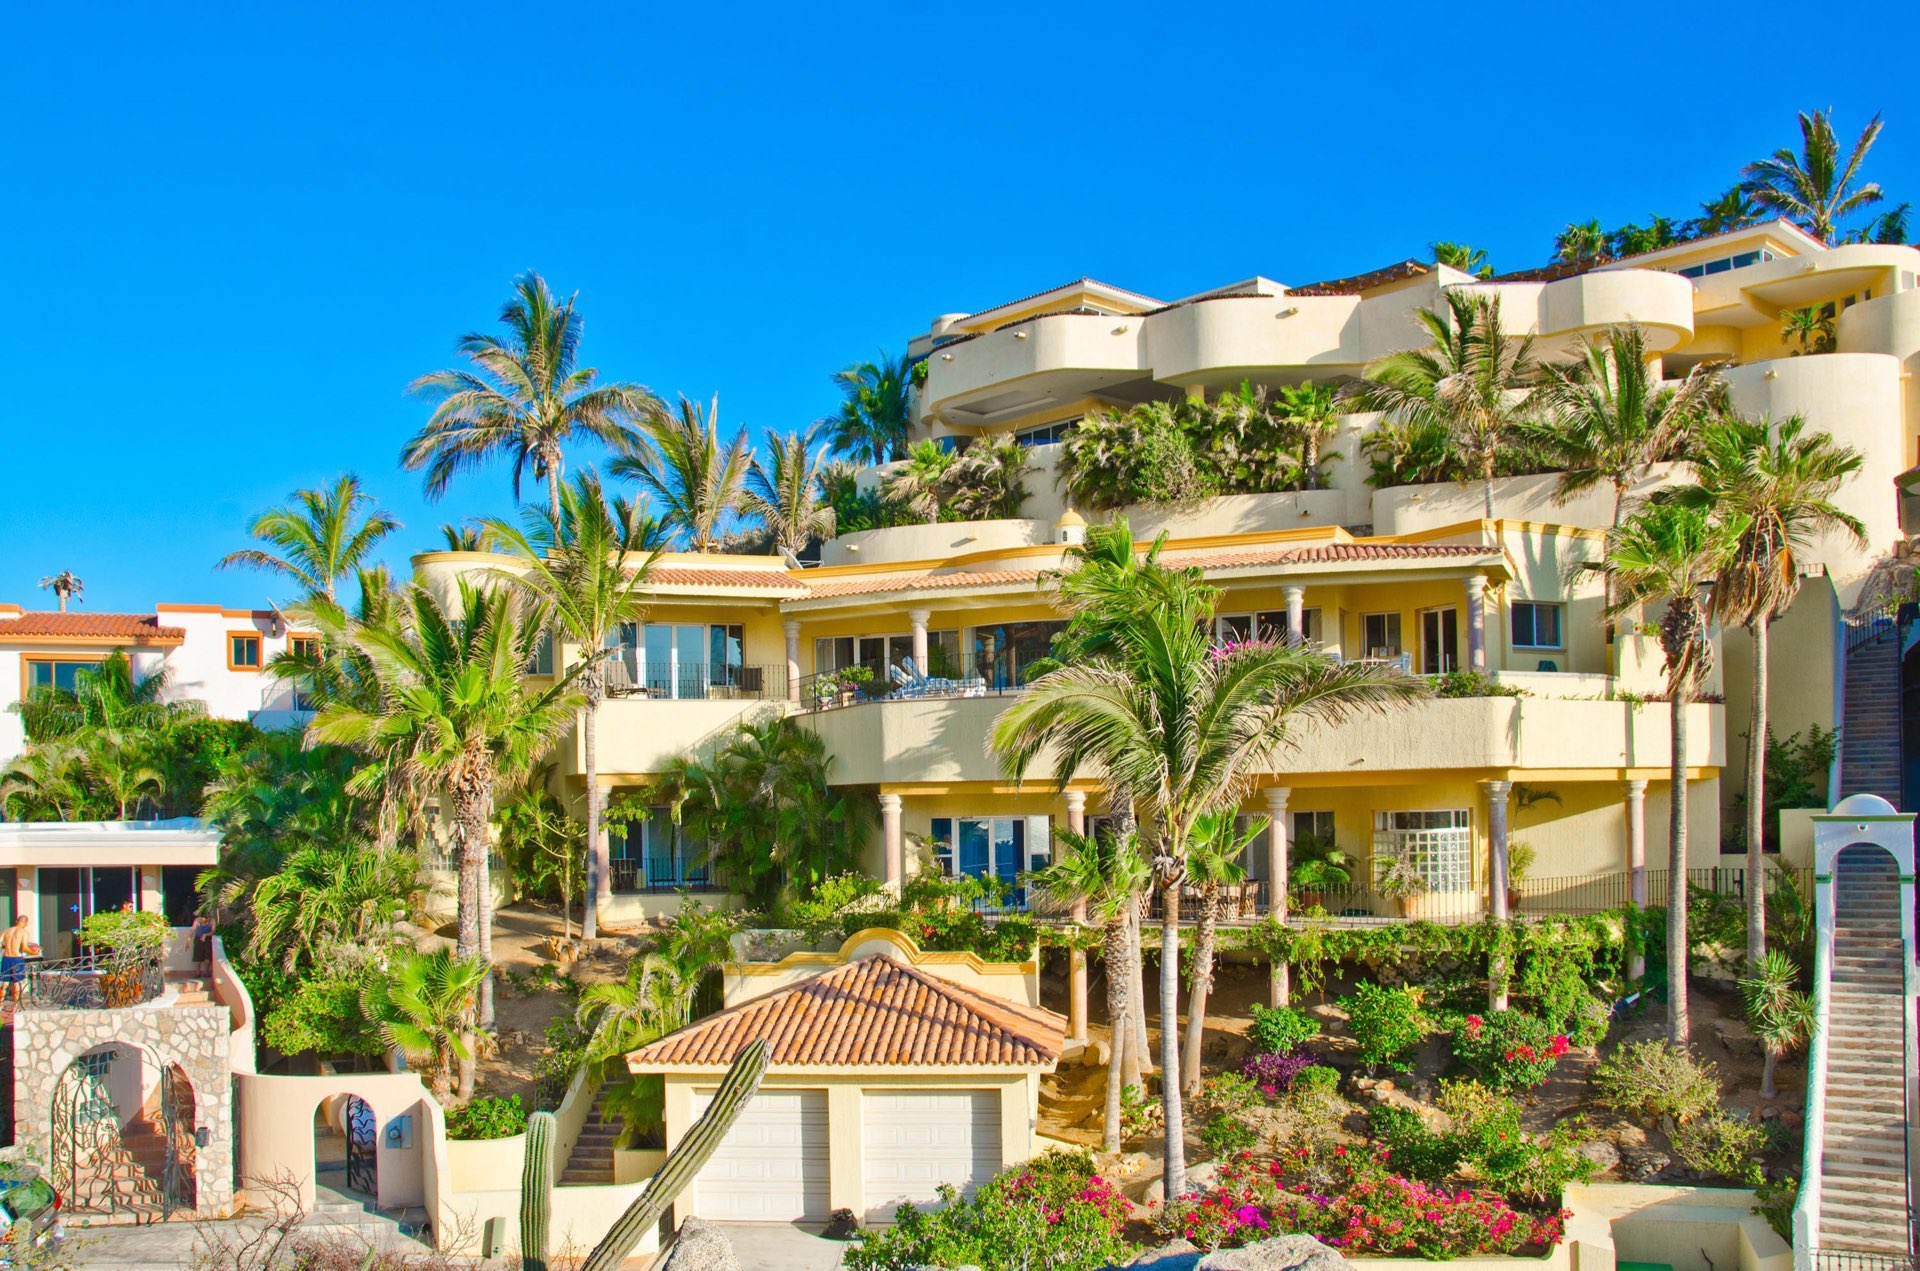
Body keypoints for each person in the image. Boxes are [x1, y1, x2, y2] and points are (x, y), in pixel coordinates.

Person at [2, 914, 41, 1003]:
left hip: (6, 957)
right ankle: (15, 1006)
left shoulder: (7, 930)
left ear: (17, 921)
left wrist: (7, 946)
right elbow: (24, 948)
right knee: (16, 983)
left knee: (4, 984)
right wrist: (33, 952)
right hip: (16, 959)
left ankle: (0, 1006)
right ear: (25, 923)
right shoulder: (24, 932)